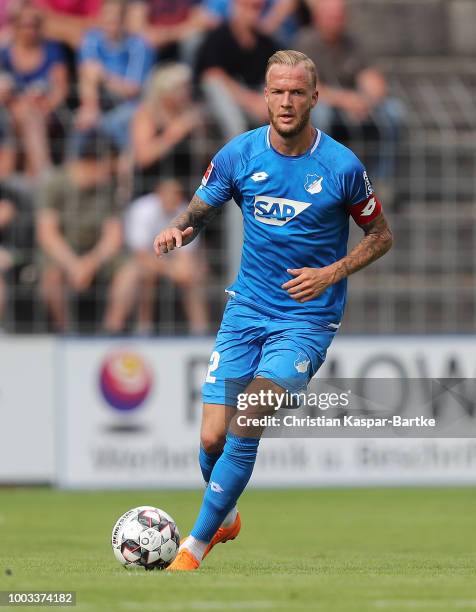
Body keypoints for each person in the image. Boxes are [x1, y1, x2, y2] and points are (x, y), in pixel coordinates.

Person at [153, 49, 393, 571]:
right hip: (245, 311)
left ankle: (192, 547)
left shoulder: (342, 167)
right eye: (277, 92)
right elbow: (199, 211)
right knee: (211, 437)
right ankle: (228, 514)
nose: (286, 102)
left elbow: (381, 236)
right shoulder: (239, 155)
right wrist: (178, 229)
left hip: (306, 321)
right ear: (265, 96)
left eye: (296, 92)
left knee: (247, 419)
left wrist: (331, 273)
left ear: (314, 96)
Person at [294, 0, 403, 193]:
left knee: (394, 112)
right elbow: (307, 85)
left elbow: (373, 80)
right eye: (330, 16)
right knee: (319, 114)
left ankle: (382, 180)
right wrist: (348, 101)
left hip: (355, 103)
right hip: (323, 101)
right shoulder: (305, 42)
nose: (335, 21)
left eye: (339, 16)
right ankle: (318, 173)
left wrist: (365, 101)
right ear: (317, 18)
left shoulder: (353, 43)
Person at [37, 130, 122, 332]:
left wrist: (91, 263)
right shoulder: (55, 184)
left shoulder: (107, 188)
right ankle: (66, 330)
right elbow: (47, 235)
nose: (113, 172)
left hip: (96, 255)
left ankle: (111, 331)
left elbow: (114, 236)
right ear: (93, 162)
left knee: (131, 271)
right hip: (64, 253)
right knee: (51, 277)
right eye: (109, 167)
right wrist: (73, 265)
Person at [103, 178, 209, 335]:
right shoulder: (143, 209)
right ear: (158, 193)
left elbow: (186, 256)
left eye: (177, 194)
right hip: (137, 261)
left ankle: (200, 332)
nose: (173, 198)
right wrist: (173, 271)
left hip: (169, 261)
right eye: (169, 194)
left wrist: (184, 271)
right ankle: (115, 330)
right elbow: (140, 255)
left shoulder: (185, 212)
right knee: (131, 278)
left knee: (193, 275)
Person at [0, 1, 69, 178]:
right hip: (11, 113)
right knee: (27, 115)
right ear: (15, 27)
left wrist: (47, 106)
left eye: (34, 25)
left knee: (31, 116)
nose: (30, 30)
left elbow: (61, 89)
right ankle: (43, 172)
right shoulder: (5, 54)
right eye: (25, 25)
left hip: (45, 113)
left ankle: (36, 176)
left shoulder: (52, 50)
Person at [195, 0, 280, 141]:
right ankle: (237, 154)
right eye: (246, 6)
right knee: (215, 85)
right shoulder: (218, 36)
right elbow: (212, 75)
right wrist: (250, 101)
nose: (252, 12)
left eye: (257, 7)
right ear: (235, 6)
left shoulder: (265, 41)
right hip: (215, 100)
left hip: (253, 97)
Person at [75, 0, 154, 151]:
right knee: (82, 121)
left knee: (113, 124)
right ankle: (69, 168)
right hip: (98, 103)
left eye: (115, 19)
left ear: (124, 20)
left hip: (131, 105)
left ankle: (132, 167)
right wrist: (91, 105)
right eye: (107, 19)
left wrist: (104, 77)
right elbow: (87, 74)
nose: (111, 24)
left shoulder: (138, 45)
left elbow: (132, 90)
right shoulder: (91, 39)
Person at [131, 62, 206, 198]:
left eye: (187, 86)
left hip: (185, 192)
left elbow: (203, 157)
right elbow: (144, 157)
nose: (186, 92)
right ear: (165, 91)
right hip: (151, 191)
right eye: (180, 88)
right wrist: (174, 133)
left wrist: (199, 132)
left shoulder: (191, 114)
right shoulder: (148, 114)